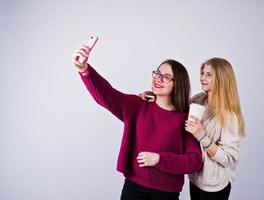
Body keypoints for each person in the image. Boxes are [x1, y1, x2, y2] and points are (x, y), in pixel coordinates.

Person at [72, 43, 203, 200]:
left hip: (166, 194)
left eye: (166, 77)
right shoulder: (138, 105)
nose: (158, 79)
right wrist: (85, 70)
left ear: (178, 84)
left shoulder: (185, 118)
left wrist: (159, 159)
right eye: (157, 73)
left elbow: (194, 161)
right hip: (133, 188)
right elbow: (107, 95)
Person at [139, 57, 245, 200]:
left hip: (215, 187)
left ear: (222, 79)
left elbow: (228, 158)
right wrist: (155, 96)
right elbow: (177, 109)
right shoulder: (199, 99)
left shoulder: (230, 116)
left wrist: (201, 135)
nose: (202, 77)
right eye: (202, 73)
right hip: (195, 180)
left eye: (209, 74)